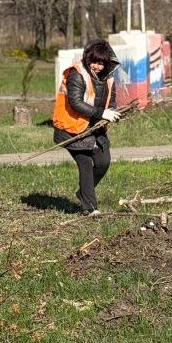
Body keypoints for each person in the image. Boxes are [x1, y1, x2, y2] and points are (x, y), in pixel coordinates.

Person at [52, 40, 121, 217]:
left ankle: (83, 193)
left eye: (101, 63)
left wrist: (113, 114)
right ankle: (89, 207)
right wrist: (101, 113)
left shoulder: (109, 78)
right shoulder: (77, 74)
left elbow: (111, 103)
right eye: (93, 62)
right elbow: (75, 103)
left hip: (94, 128)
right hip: (71, 128)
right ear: (87, 59)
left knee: (103, 162)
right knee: (85, 163)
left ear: (107, 63)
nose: (96, 66)